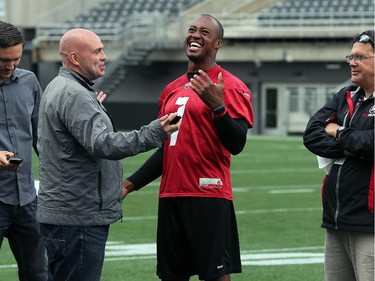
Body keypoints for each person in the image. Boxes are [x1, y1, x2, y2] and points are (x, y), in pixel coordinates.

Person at [36, 28, 180, 281]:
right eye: (97, 51)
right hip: (78, 217)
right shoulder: (75, 94)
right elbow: (103, 144)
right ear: (74, 58)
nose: (104, 56)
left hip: (65, 215)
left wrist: (93, 109)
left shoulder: (61, 87)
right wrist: (155, 131)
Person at [122, 14, 254, 281]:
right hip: (171, 194)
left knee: (215, 274)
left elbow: (237, 143)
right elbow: (167, 148)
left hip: (208, 193)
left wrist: (218, 107)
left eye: (204, 32)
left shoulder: (230, 86)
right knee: (171, 275)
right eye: (192, 30)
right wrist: (129, 184)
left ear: (217, 43)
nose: (195, 35)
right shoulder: (171, 89)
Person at [303, 30, 374, 281]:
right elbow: (311, 134)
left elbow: (372, 143)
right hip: (336, 219)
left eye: (360, 57)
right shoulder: (344, 95)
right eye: (351, 56)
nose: (352, 62)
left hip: (370, 222)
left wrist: (339, 132)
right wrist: (349, 144)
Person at [0, 21, 48, 281]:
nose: (10, 65)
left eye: (16, 59)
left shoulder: (29, 81)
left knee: (38, 274)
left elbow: (42, 137)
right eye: (3, 60)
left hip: (28, 198)